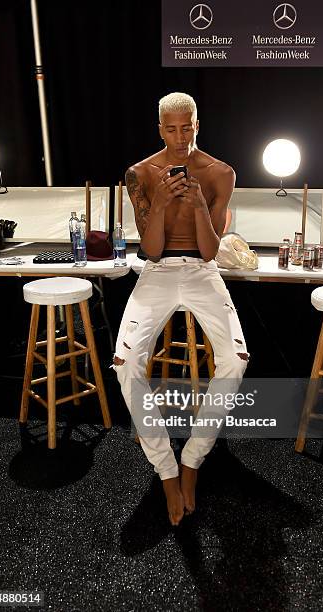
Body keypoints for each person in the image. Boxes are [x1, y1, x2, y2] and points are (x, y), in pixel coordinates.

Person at [113, 92, 249, 526]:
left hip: (202, 272)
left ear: (197, 125)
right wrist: (166, 203)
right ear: (160, 129)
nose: (179, 137)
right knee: (125, 362)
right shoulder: (138, 174)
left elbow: (210, 253)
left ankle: (192, 458)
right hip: (157, 271)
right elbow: (150, 250)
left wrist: (196, 209)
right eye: (170, 129)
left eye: (186, 127)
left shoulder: (220, 173)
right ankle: (166, 470)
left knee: (236, 361)